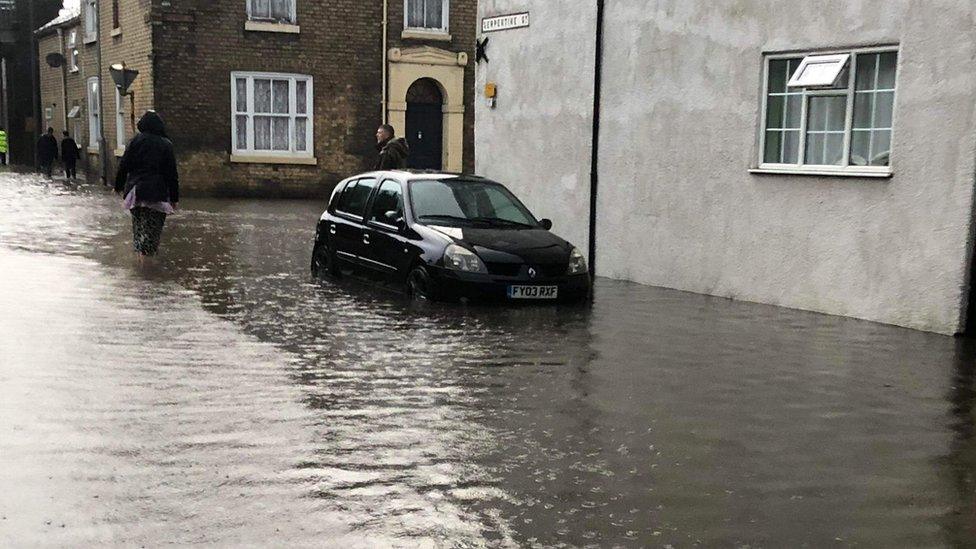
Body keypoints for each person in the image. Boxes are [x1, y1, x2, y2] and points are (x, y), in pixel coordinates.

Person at [114, 111, 179, 258]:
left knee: (138, 233)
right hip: (156, 194)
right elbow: (172, 174)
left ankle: (140, 268)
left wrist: (118, 186)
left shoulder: (135, 141)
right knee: (152, 235)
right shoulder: (166, 144)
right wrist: (174, 198)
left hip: (135, 193)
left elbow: (123, 165)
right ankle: (148, 271)